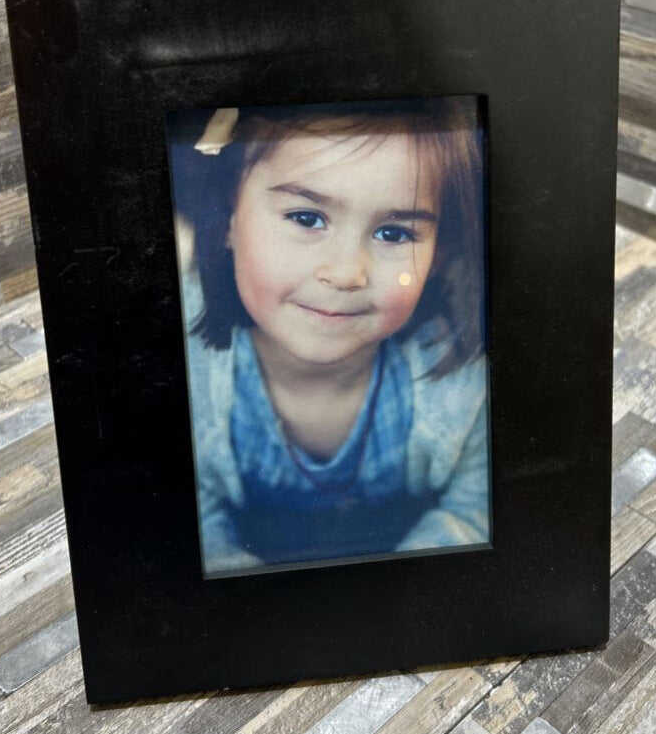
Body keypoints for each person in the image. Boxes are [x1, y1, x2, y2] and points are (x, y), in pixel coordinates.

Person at [172, 98, 490, 575]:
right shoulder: (178, 361)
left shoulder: (465, 370)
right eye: (306, 218)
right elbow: (187, 521)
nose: (345, 273)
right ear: (229, 217)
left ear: (438, 255)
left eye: (394, 233)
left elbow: (477, 510)